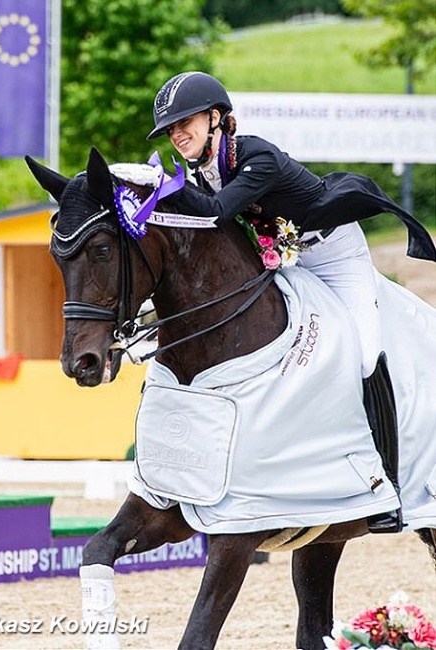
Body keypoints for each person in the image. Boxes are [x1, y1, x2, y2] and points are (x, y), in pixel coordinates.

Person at [147, 71, 436, 534]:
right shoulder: (201, 171)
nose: (178, 134)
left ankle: (387, 486)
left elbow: (218, 214)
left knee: (363, 356)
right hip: (289, 261)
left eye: (187, 122)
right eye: (171, 130)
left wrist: (160, 191)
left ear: (218, 118)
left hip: (337, 254)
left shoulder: (256, 155)